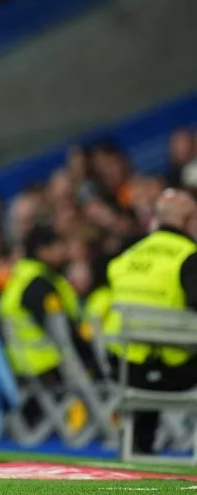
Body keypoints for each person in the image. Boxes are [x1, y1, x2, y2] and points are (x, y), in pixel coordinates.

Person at [102, 188, 197, 455]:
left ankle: (137, 446)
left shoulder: (126, 257)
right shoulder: (189, 257)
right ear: (189, 220)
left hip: (124, 367)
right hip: (174, 371)